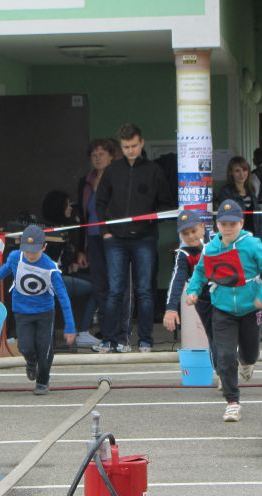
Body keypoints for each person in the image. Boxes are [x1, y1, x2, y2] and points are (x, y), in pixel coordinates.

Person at [186, 200, 262, 422]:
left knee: (250, 352)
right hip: (223, 308)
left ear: (241, 223)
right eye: (224, 224)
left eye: (233, 224)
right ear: (217, 225)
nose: (228, 228)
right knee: (225, 355)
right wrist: (193, 290)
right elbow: (200, 272)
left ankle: (247, 362)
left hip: (250, 308)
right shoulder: (211, 248)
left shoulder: (253, 244)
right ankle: (232, 401)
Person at [94, 123, 173, 353]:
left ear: (142, 143)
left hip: (145, 238)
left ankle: (145, 339)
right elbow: (100, 203)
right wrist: (105, 232)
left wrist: (151, 220)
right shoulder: (112, 170)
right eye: (126, 146)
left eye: (134, 146)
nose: (131, 150)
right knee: (115, 290)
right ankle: (110, 338)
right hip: (115, 239)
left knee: (145, 290)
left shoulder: (154, 170)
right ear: (121, 146)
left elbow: (166, 204)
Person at [0, 225, 76, 395]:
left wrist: (70, 326)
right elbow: (4, 271)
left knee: (44, 349)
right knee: (25, 346)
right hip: (22, 310)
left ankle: (42, 381)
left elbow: (63, 297)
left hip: (44, 312)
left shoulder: (50, 267)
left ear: (44, 247)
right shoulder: (14, 258)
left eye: (35, 251)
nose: (30, 255)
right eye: (27, 251)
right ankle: (30, 361)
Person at [40, 191, 98, 348]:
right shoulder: (52, 233)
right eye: (68, 205)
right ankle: (84, 331)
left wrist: (75, 259)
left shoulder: (63, 228)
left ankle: (85, 330)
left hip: (61, 276)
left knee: (99, 282)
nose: (71, 208)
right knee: (97, 288)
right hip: (53, 280)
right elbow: (54, 262)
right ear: (59, 207)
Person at [163, 209, 216, 366]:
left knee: (226, 332)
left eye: (194, 231)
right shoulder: (183, 253)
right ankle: (222, 373)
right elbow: (177, 280)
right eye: (186, 233)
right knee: (213, 335)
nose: (191, 236)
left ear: (202, 226)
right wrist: (171, 309)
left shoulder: (217, 240)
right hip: (203, 298)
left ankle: (240, 362)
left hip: (226, 293)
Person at [78, 138, 116, 344]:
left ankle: (117, 331)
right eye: (94, 154)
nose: (98, 157)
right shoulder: (85, 181)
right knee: (100, 286)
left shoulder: (117, 179)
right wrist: (80, 249)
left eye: (102, 153)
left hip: (113, 238)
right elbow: (82, 218)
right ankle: (105, 332)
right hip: (92, 238)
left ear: (111, 156)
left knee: (116, 286)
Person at [214, 156, 261, 236]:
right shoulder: (226, 192)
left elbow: (260, 219)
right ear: (230, 172)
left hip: (254, 237)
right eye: (237, 171)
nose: (241, 174)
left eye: (244, 170)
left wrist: (261, 239)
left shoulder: (252, 190)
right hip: (235, 238)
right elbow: (226, 219)